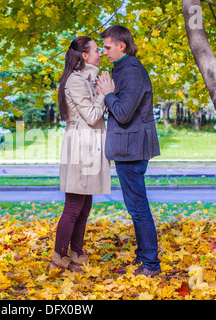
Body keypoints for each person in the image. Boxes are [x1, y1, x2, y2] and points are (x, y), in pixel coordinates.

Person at [97, 25, 161, 277]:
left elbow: (123, 113)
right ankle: (143, 258)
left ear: (121, 46)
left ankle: (150, 265)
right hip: (127, 148)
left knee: (138, 207)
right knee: (135, 206)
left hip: (133, 149)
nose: (104, 52)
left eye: (107, 47)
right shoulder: (123, 68)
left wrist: (107, 95)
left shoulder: (132, 70)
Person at [48, 36, 111, 274]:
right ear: (84, 55)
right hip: (81, 148)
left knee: (84, 209)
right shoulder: (76, 81)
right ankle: (59, 258)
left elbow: (93, 113)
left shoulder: (86, 80)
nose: (101, 53)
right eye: (96, 50)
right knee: (73, 208)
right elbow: (93, 116)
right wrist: (105, 94)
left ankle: (76, 256)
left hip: (90, 147)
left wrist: (99, 92)